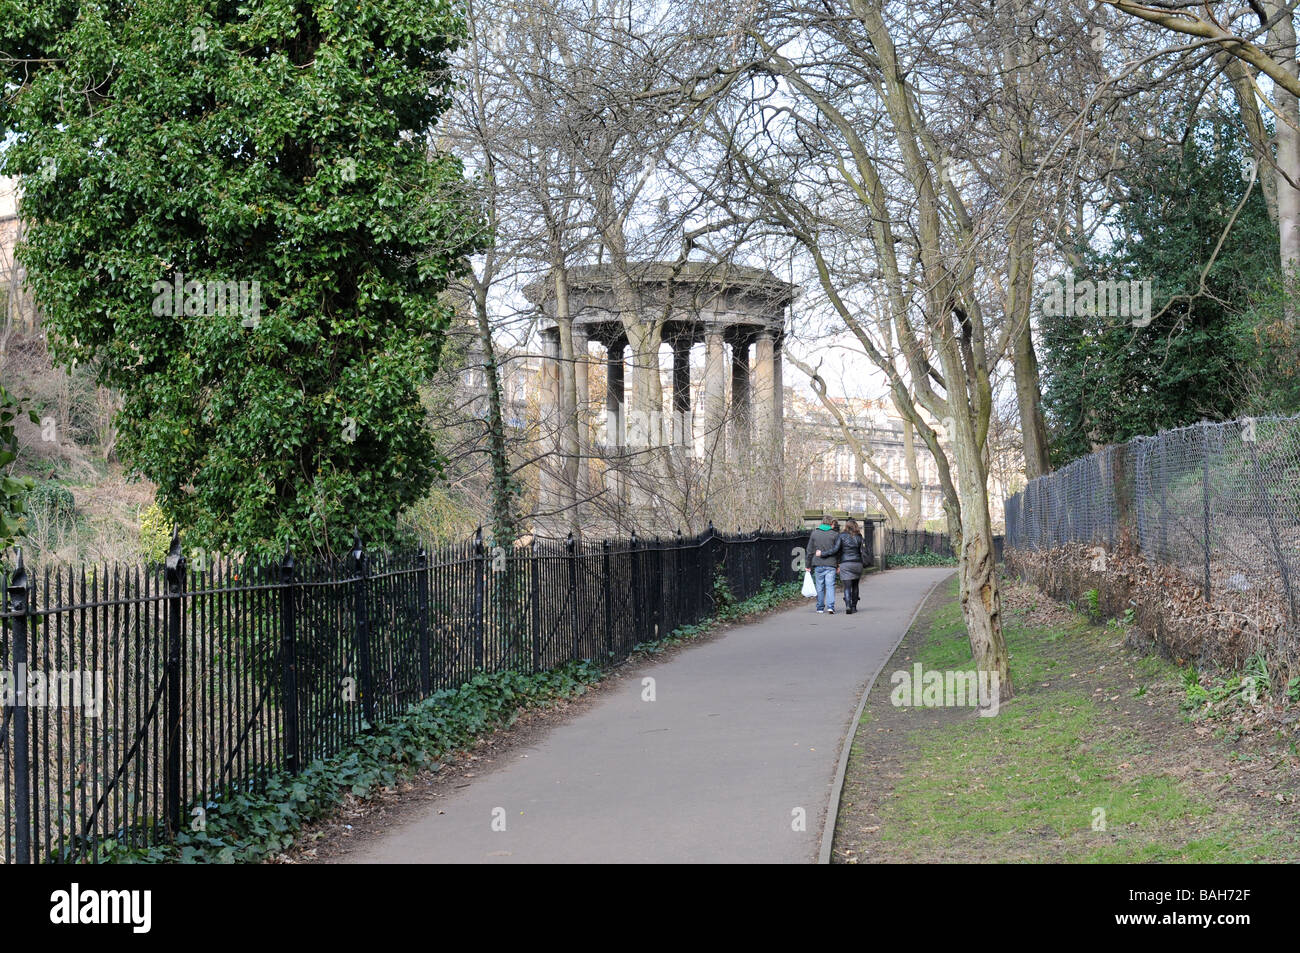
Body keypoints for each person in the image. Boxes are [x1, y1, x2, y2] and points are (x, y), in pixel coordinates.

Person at [827, 519, 868, 614]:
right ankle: (854, 607)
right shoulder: (859, 537)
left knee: (847, 587)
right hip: (857, 564)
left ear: (846, 526)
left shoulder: (841, 536)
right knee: (855, 586)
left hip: (846, 564)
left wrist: (824, 553)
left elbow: (835, 549)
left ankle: (848, 606)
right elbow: (863, 550)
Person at [806, 517, 840, 614]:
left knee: (819, 586)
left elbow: (809, 551)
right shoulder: (835, 534)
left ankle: (820, 607)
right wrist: (838, 565)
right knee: (830, 586)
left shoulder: (814, 533)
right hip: (831, 564)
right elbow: (837, 551)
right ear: (830, 523)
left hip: (818, 563)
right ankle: (830, 607)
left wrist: (808, 564)